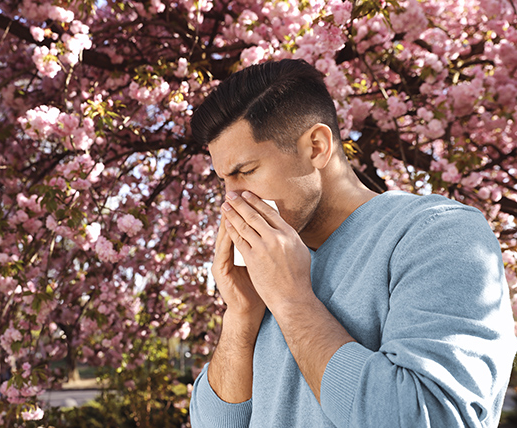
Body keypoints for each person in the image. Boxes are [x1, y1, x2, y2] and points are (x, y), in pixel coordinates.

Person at [188, 59, 516, 428]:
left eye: (245, 172)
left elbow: (430, 418)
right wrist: (240, 317)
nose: (232, 200)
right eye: (224, 181)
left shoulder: (438, 233)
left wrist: (292, 301)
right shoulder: (266, 270)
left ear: (316, 147)